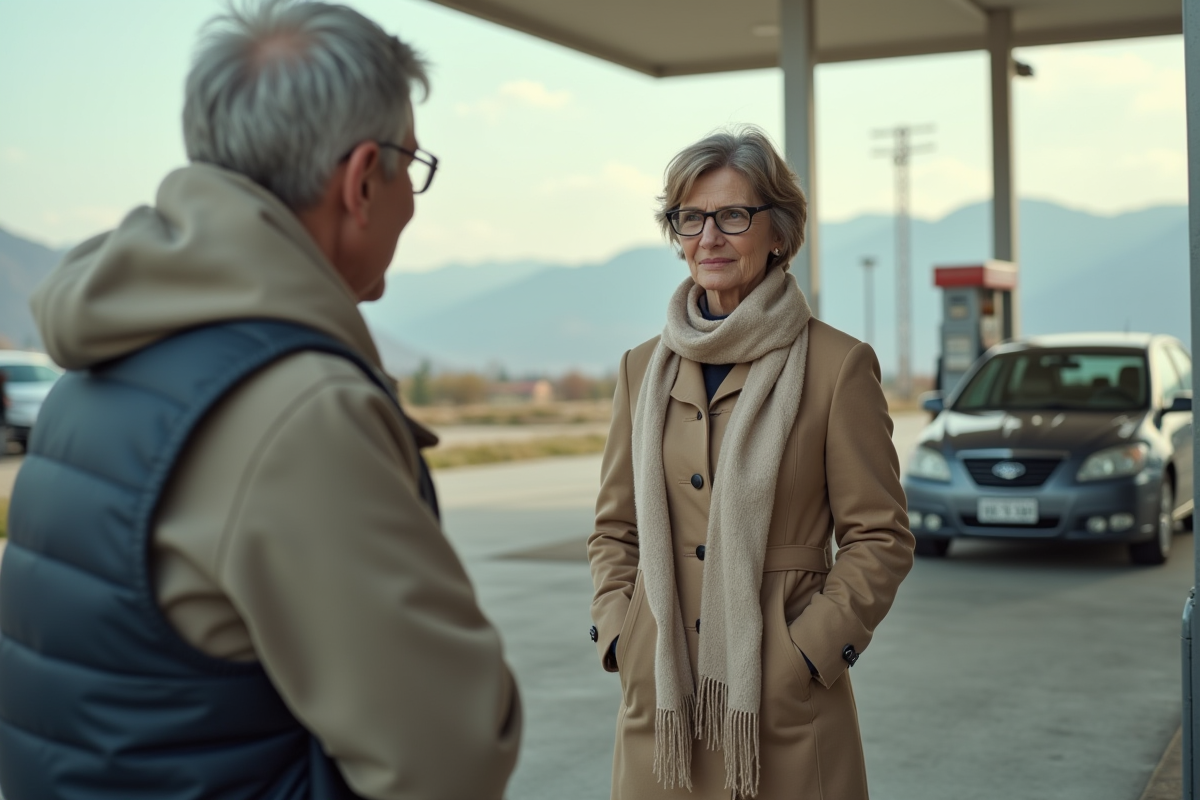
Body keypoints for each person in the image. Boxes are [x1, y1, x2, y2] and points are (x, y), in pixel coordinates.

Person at [0, 3, 521, 799]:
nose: (414, 200)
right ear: (359, 180)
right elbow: (449, 753)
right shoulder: (300, 408)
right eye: (411, 166)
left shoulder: (101, 356)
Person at [587, 126, 914, 800]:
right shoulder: (641, 368)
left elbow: (879, 537)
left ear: (779, 233)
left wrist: (809, 651)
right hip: (662, 707)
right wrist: (621, 633)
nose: (709, 237)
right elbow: (615, 530)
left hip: (783, 712)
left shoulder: (837, 366)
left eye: (733, 215)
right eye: (690, 218)